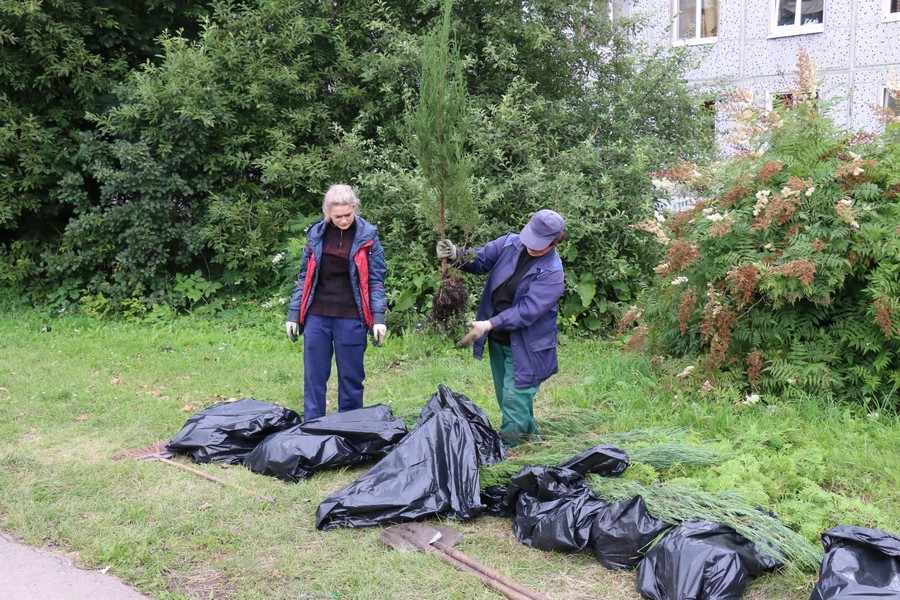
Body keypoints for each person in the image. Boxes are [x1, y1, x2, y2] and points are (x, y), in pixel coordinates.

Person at [437, 209, 566, 446]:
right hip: (498, 340)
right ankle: (531, 440)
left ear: (555, 241)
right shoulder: (509, 243)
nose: (532, 247)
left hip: (528, 345)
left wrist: (490, 323)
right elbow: (480, 260)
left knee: (515, 396)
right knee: (505, 396)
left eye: (540, 244)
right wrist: (456, 254)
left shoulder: (552, 273)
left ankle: (511, 449)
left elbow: (527, 311)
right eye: (531, 239)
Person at [286, 184, 387, 421]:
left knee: (351, 379)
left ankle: (349, 430)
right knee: (314, 377)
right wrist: (293, 313)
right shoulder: (315, 235)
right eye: (337, 216)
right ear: (327, 213)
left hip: (351, 318)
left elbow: (376, 280)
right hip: (316, 317)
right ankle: (313, 429)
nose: (343, 220)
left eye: (348, 215)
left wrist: (378, 318)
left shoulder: (369, 237)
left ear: (355, 208)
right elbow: (304, 277)